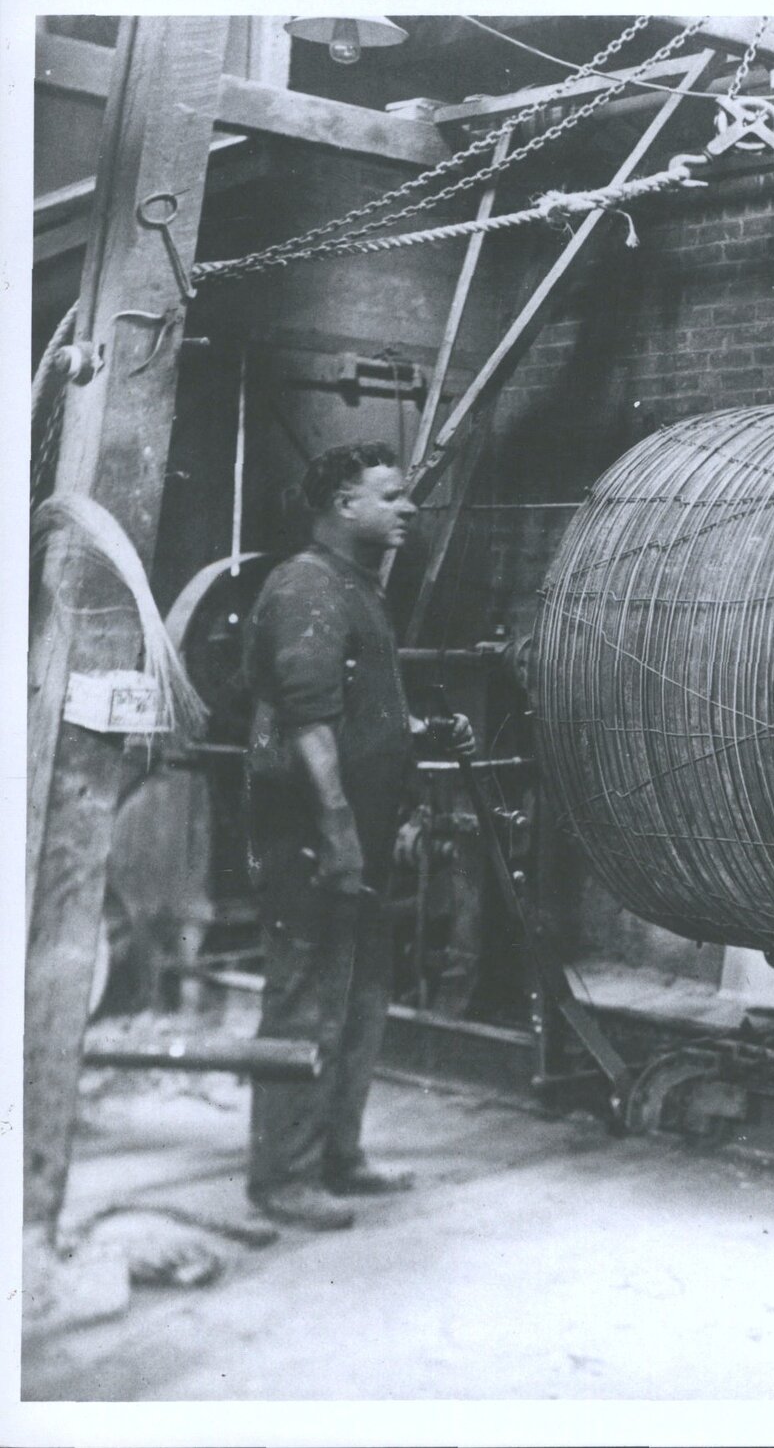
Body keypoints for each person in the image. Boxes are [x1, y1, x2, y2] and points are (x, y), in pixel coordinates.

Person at [241, 442, 476, 1230]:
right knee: (306, 998)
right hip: (311, 836)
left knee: (359, 997)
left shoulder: (356, 587)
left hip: (358, 834)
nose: (408, 507)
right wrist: (338, 828)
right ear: (345, 504)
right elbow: (306, 719)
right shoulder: (307, 585)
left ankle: (336, 1154)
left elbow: (351, 710)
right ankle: (284, 1175)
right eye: (391, 494)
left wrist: (414, 736)